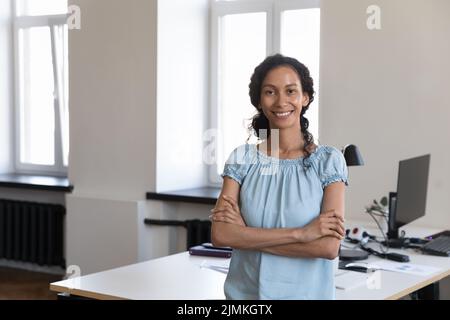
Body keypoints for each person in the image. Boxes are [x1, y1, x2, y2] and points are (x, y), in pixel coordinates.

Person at [210, 54, 348, 300]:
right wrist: (301, 234)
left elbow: (327, 247)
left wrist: (245, 234)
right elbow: (221, 235)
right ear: (259, 101)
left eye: (291, 91)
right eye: (270, 92)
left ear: (305, 97)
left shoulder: (329, 161)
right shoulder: (242, 159)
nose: (281, 102)